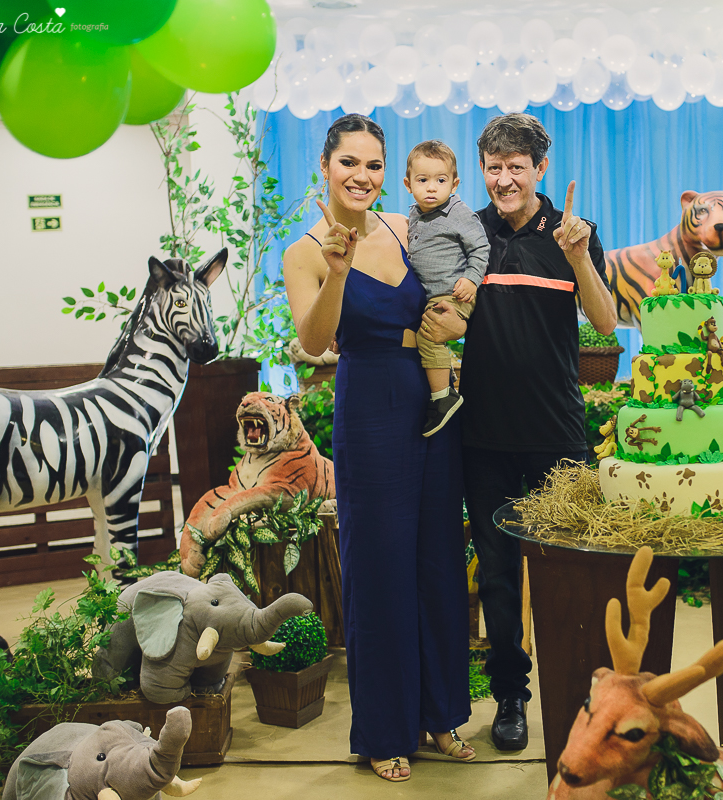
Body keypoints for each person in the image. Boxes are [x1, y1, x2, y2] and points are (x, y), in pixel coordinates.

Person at [282, 114, 474, 783]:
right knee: (380, 565)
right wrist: (337, 272)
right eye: (349, 164)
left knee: (438, 556)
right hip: (368, 402)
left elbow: (456, 292)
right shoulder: (305, 251)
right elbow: (313, 342)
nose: (362, 176)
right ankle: (384, 729)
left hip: (430, 393)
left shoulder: (408, 224)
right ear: (326, 167)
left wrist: (460, 315)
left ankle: (442, 713)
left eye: (373, 164)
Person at [422, 113, 616, 751]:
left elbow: (606, 322)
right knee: (499, 577)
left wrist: (579, 257)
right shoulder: (466, 233)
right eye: (494, 166)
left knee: (571, 571)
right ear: (481, 170)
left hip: (558, 435)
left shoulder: (570, 234)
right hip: (482, 440)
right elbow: (441, 314)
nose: (505, 178)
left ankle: (582, 689)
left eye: (517, 166)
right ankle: (510, 695)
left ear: (540, 170)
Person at [401, 139, 490, 437]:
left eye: (440, 180)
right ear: (407, 183)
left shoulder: (458, 212)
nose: (431, 187)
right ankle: (443, 380)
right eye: (422, 180)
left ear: (454, 184)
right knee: (421, 333)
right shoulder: (415, 215)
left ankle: (444, 397)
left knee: (428, 335)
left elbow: (480, 247)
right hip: (431, 293)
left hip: (454, 293)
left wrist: (471, 279)